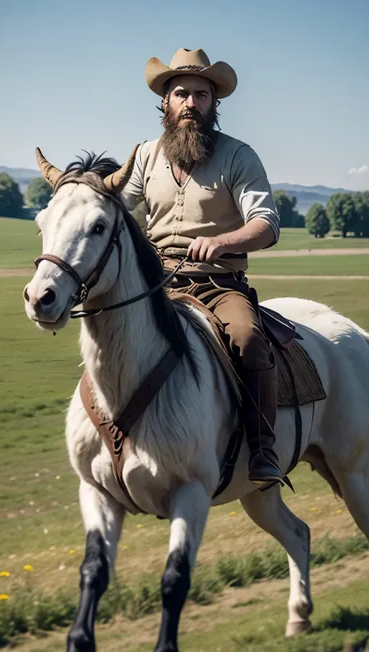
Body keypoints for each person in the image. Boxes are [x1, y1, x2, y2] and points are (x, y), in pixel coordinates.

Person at [121, 48, 285, 486]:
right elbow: (119, 210)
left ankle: (263, 447)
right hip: (154, 285)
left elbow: (266, 225)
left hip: (217, 284)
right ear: (165, 103)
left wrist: (221, 241)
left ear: (215, 104)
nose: (190, 103)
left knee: (250, 340)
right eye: (181, 94)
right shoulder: (144, 156)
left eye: (200, 95)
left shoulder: (239, 156)